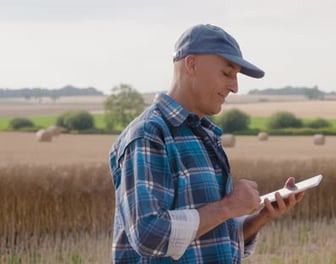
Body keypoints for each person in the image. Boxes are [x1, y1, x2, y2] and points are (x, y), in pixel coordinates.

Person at [109, 24, 305, 263]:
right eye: (227, 73)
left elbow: (210, 240)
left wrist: (261, 216)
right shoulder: (148, 135)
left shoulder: (205, 135)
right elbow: (149, 236)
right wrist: (228, 206)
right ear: (191, 64)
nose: (234, 87)